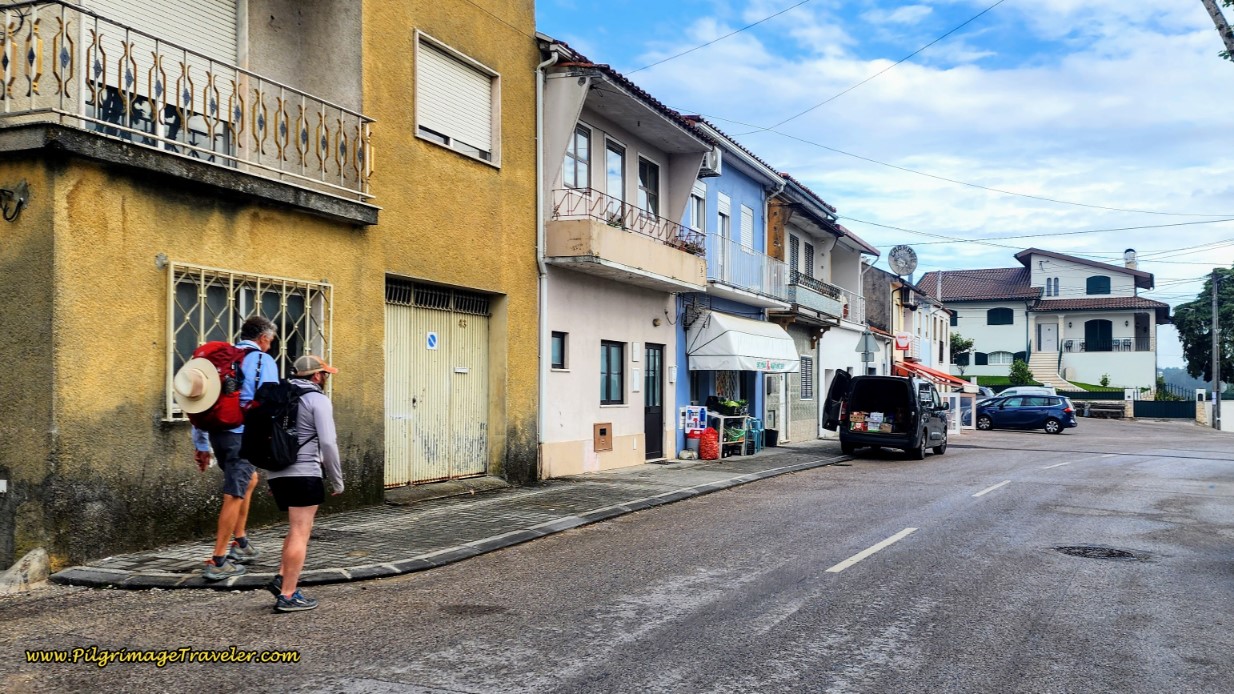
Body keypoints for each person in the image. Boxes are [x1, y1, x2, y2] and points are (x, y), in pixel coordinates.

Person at [188, 316, 279, 580]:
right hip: (243, 435)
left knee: (248, 479)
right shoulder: (262, 361)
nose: (270, 347)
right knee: (234, 492)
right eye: (270, 341)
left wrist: (201, 445)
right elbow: (269, 404)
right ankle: (218, 560)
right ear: (263, 338)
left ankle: (240, 541)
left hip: (219, 433)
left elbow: (201, 401)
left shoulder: (223, 360)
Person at [266, 354, 343, 613]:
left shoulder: (280, 397)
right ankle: (288, 594)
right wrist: (337, 480)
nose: (326, 379)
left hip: (276, 473)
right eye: (325, 375)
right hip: (304, 473)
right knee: (301, 531)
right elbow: (329, 443)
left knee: (294, 528)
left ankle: (281, 577)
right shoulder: (317, 400)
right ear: (317, 376)